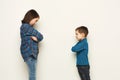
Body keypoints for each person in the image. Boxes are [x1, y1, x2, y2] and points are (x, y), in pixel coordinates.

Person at [20, 9, 43, 80]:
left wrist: (36, 39)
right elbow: (40, 36)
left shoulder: (28, 28)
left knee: (32, 73)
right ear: (31, 17)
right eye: (35, 20)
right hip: (29, 53)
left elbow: (39, 37)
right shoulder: (25, 27)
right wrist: (37, 38)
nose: (35, 23)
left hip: (32, 53)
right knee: (32, 74)